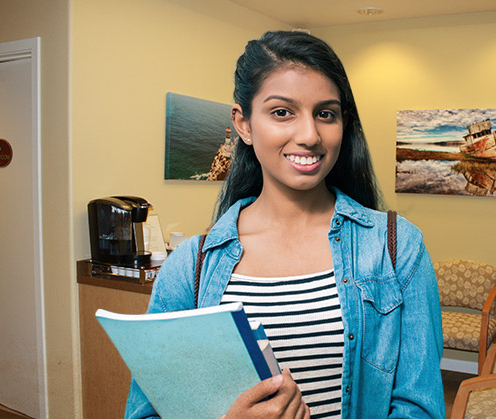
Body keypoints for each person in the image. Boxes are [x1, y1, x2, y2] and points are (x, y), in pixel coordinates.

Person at [125, 30, 445, 418]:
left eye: (326, 114)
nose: (310, 135)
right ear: (243, 124)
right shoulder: (189, 269)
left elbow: (421, 408)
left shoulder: (396, 249)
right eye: (282, 112)